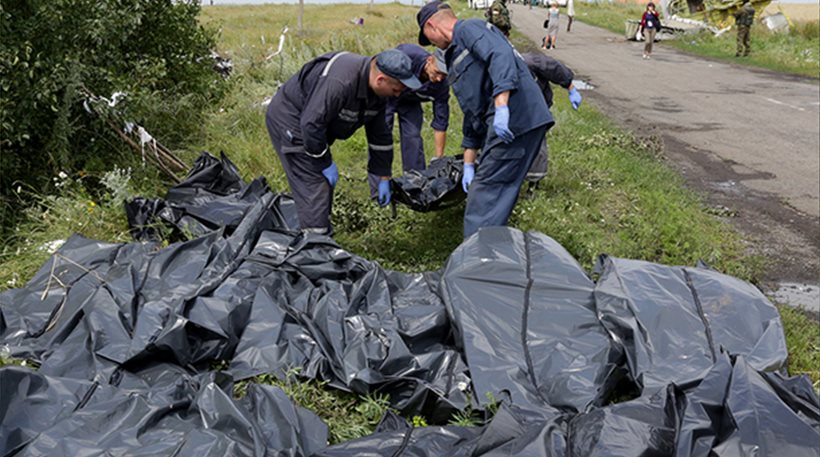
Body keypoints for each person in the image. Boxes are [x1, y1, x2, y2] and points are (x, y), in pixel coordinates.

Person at [417, 1, 554, 239]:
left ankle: (476, 262)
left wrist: (502, 107)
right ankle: (490, 252)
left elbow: (500, 55)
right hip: (516, 123)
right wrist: (468, 164)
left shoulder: (469, 29)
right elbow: (473, 111)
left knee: (485, 192)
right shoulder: (455, 53)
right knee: (498, 189)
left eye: (427, 37)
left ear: (432, 26)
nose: (431, 44)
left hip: (515, 120)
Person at [265, 49, 421, 235]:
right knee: (314, 182)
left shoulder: (378, 93)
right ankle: (315, 247)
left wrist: (383, 176)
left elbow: (380, 136)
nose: (397, 95)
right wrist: (324, 162)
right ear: (380, 80)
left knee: (320, 185)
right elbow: (311, 124)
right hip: (293, 120)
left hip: (315, 123)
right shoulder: (339, 82)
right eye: (396, 90)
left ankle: (319, 235)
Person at [369, 44, 450, 195]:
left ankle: (415, 185)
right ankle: (377, 188)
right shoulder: (409, 56)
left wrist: (438, 158)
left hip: (411, 102)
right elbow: (384, 68)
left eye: (444, 75)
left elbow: (441, 121)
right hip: (390, 94)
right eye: (438, 72)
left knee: (412, 137)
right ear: (430, 60)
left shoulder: (441, 85)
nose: (439, 78)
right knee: (381, 136)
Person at [521, 52, 581, 188]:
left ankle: (534, 184)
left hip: (538, 106)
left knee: (536, 141)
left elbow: (555, 68)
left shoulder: (530, 62)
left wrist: (570, 87)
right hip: (513, 107)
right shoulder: (495, 70)